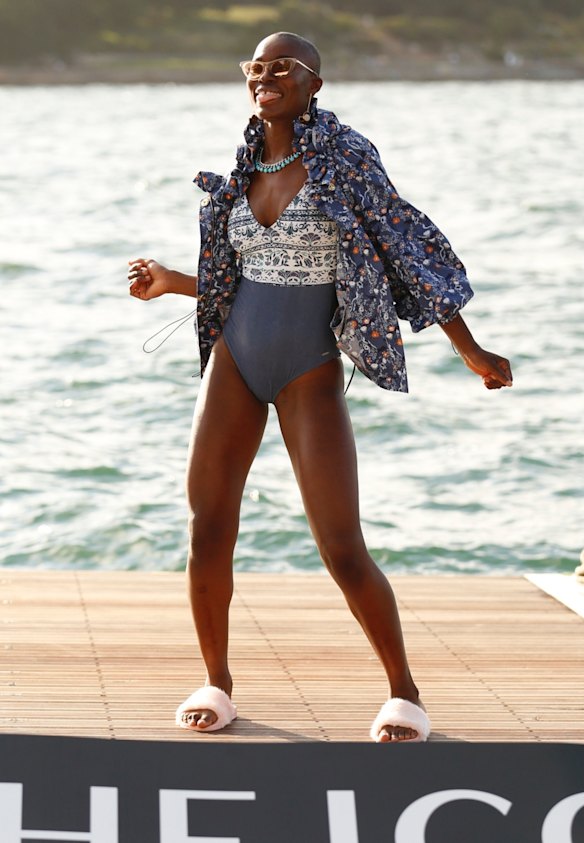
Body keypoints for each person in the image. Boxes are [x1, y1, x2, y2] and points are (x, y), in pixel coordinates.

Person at [128, 31, 513, 743]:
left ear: (314, 84)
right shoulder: (245, 165)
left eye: (282, 67)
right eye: (255, 67)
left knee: (340, 543)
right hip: (234, 365)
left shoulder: (345, 160)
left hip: (309, 367)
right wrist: (171, 282)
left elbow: (408, 244)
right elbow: (239, 277)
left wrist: (470, 349)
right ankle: (217, 680)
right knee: (208, 528)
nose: (264, 76)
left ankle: (405, 692)